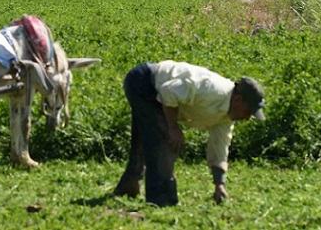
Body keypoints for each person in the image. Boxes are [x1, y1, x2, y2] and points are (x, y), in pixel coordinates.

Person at [113, 60, 264, 207]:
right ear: (238, 99)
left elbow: (219, 148)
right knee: (164, 140)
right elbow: (168, 91)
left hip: (155, 89)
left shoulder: (226, 117)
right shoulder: (212, 90)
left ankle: (128, 187)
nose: (247, 118)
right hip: (144, 82)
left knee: (146, 138)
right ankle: (162, 201)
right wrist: (173, 127)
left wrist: (220, 185)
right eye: (248, 111)